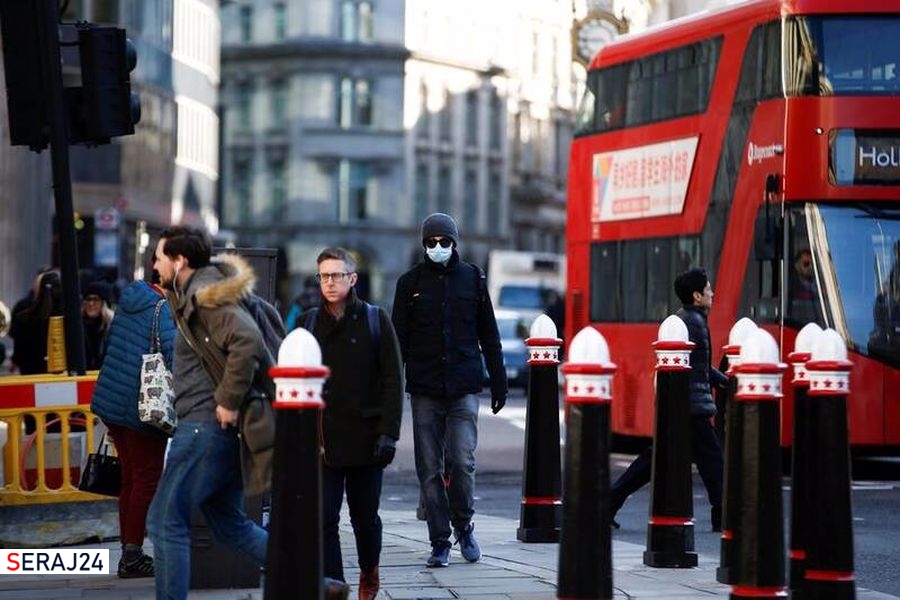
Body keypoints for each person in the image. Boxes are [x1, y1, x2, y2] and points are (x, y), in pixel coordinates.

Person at [146, 226, 269, 600]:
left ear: (179, 261)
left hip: (203, 428)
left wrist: (228, 401)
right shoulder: (193, 291)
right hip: (212, 430)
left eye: (159, 257)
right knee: (231, 525)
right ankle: (317, 584)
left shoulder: (206, 296)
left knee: (165, 522)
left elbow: (247, 341)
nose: (154, 265)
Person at [391, 212, 508, 567]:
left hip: (463, 386)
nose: (437, 247)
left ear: (455, 243)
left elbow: (489, 334)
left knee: (462, 460)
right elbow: (398, 341)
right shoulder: (408, 283)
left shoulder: (472, 279)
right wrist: (392, 389)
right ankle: (439, 540)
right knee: (428, 467)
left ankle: (464, 526)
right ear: (423, 245)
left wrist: (499, 379)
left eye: (444, 242)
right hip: (425, 387)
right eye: (431, 242)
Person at [303, 247, 403, 600]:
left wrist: (389, 433)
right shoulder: (309, 322)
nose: (329, 283)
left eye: (336, 275)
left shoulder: (376, 320)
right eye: (323, 276)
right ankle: (334, 585)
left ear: (352, 278)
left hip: (367, 438)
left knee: (365, 518)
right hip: (323, 440)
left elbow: (394, 379)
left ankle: (369, 570)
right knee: (325, 518)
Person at [609, 267, 727, 531]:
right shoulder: (694, 323)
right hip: (692, 407)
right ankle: (723, 515)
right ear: (697, 296)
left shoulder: (686, 319)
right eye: (708, 289)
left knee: (656, 459)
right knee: (713, 462)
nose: (712, 292)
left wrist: (723, 380)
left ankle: (609, 501)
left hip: (681, 404)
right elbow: (701, 368)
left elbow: (699, 366)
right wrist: (723, 381)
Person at [90, 280, 175, 578]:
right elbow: (174, 354)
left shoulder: (129, 300)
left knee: (130, 479)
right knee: (146, 481)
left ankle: (130, 551)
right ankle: (132, 555)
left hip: (114, 402)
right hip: (143, 407)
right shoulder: (162, 308)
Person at [10, 269, 62, 375]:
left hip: (31, 375)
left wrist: (16, 360)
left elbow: (18, 344)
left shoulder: (24, 316)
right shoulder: (67, 315)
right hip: (59, 375)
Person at [82, 281, 114, 370]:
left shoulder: (112, 327)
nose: (91, 303)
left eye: (96, 299)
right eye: (88, 299)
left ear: (104, 303)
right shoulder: (79, 326)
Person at [788, 249, 820, 324]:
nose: (811, 267)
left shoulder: (823, 288)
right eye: (806, 264)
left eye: (814, 264)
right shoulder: (792, 289)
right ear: (797, 266)